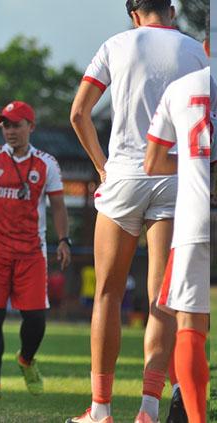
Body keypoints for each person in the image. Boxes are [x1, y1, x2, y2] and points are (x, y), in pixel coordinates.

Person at [67, 1, 207, 422]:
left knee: (107, 294)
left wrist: (100, 167)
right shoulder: (197, 51)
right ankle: (148, 409)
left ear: (133, 13)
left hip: (125, 175)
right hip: (175, 177)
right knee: (160, 299)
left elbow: (78, 114)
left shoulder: (116, 44)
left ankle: (101, 410)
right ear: (172, 9)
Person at [0, 100, 71, 402]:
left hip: (32, 254)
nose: (10, 131)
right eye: (5, 125)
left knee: (35, 320)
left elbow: (59, 206)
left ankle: (26, 360)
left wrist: (63, 239)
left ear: (31, 127)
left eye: (16, 124)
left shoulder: (46, 163)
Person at [144, 64, 214, 423]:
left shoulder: (182, 86)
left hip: (197, 210)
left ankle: (194, 417)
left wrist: (194, 163)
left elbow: (153, 161)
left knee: (190, 323)